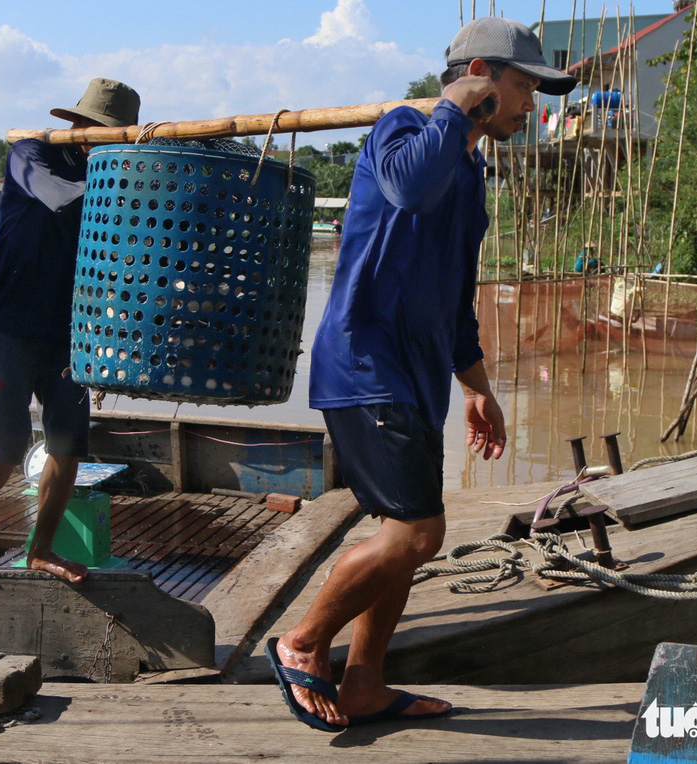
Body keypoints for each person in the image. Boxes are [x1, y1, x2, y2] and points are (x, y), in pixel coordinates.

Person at [265, 17, 575, 731]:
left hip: (415, 377)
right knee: (418, 533)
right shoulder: (402, 132)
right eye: (525, 86)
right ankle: (302, 642)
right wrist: (450, 108)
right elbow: (405, 191)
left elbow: (454, 296)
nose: (533, 105)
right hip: (365, 363)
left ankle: (367, 683)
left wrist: (478, 387)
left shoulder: (467, 173)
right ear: (479, 74)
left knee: (403, 537)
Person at [0, 78, 141, 584]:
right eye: (93, 128)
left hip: (69, 329)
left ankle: (41, 550)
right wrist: (117, 179)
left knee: (67, 443)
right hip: (11, 321)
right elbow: (56, 197)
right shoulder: (30, 152)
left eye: (111, 134)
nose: (96, 137)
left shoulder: (109, 172)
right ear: (76, 124)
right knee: (10, 443)